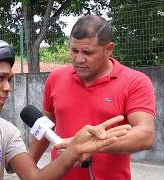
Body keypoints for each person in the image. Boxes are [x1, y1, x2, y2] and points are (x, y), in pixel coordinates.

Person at [0, 10, 132, 180]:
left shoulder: (6, 132)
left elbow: (34, 177)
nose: (8, 87)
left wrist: (73, 152)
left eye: (10, 80)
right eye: (1, 79)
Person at [28, 15, 156, 180]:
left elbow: (145, 134)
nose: (79, 59)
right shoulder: (56, 78)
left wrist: (93, 146)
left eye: (88, 52)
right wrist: (28, 164)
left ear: (109, 49)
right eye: (74, 51)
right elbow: (46, 125)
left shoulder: (134, 82)